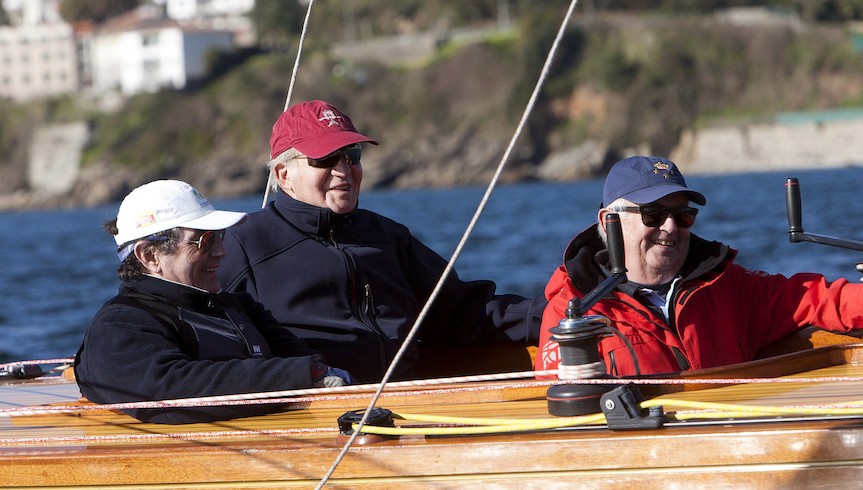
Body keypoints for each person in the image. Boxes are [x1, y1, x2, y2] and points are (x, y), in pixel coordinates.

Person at [217, 100, 546, 382]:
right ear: (283, 174)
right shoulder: (243, 244)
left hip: (410, 402)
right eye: (325, 159)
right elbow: (209, 337)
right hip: (320, 414)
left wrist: (556, 313)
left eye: (351, 155)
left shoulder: (387, 236)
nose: (344, 170)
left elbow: (462, 312)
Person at [536, 155, 863, 378]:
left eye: (683, 215)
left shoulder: (729, 287)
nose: (670, 227)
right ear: (609, 222)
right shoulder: (573, 312)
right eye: (653, 214)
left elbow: (816, 298)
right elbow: (560, 416)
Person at [74, 180, 354, 424]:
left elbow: (302, 359)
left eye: (220, 236)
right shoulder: (119, 325)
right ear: (150, 256)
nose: (222, 250)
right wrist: (303, 374)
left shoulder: (237, 306)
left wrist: (313, 371)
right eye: (205, 240)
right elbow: (168, 389)